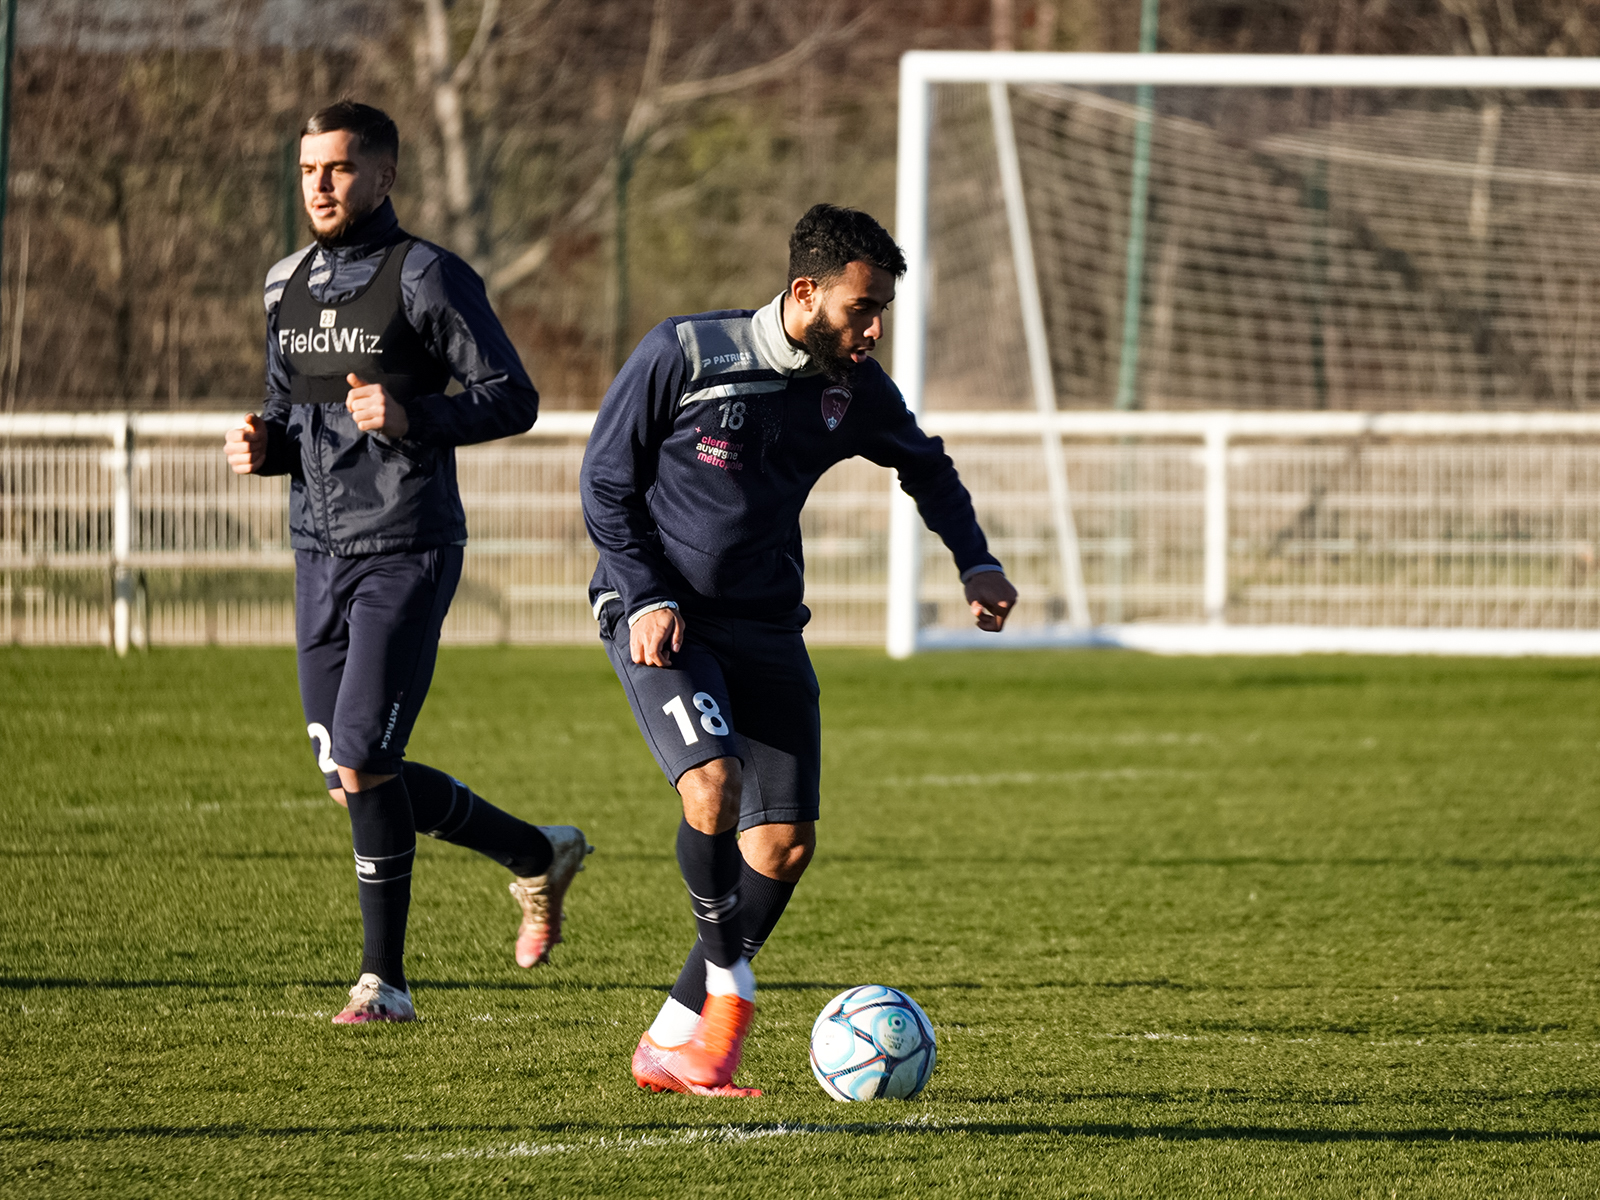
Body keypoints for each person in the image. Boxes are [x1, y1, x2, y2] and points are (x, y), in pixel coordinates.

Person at [581, 203, 1018, 1095]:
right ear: (806, 292)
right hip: (666, 617)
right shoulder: (685, 353)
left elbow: (924, 465)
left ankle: (671, 1036)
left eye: (882, 309)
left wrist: (975, 561)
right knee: (713, 787)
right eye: (862, 308)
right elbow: (605, 481)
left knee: (781, 846)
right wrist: (647, 592)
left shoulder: (852, 387)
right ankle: (728, 991)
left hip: (769, 624)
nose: (875, 328)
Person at [223, 100, 592, 1025]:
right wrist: (265, 444)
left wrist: (416, 415)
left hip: (406, 545)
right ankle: (534, 853)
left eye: (338, 168)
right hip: (317, 550)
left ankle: (383, 982)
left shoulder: (427, 275)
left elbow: (514, 398)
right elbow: (287, 404)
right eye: (308, 167)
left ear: (383, 175)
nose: (318, 184)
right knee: (348, 770)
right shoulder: (285, 284)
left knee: (363, 759)